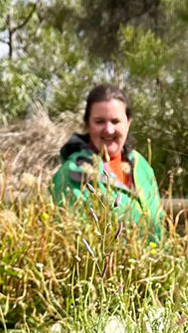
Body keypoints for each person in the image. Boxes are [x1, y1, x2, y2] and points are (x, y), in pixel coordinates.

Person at [52, 84, 163, 238]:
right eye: (99, 122)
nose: (109, 130)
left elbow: (159, 223)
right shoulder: (72, 173)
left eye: (115, 121)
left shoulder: (141, 165)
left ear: (128, 123)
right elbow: (69, 237)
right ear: (87, 124)